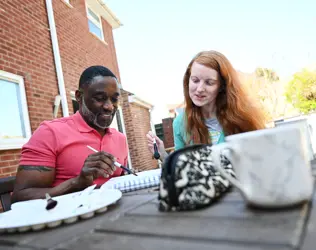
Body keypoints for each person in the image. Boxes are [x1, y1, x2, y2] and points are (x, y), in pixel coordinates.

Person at [12, 66, 129, 203]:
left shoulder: (120, 138)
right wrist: (77, 183)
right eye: (99, 98)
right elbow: (20, 198)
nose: (109, 106)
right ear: (79, 97)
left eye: (114, 100)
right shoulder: (50, 132)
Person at [147, 50, 266, 161]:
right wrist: (163, 154)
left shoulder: (243, 119)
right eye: (195, 80)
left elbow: (262, 160)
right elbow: (183, 167)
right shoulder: (180, 123)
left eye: (209, 83)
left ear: (222, 86)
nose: (199, 89)